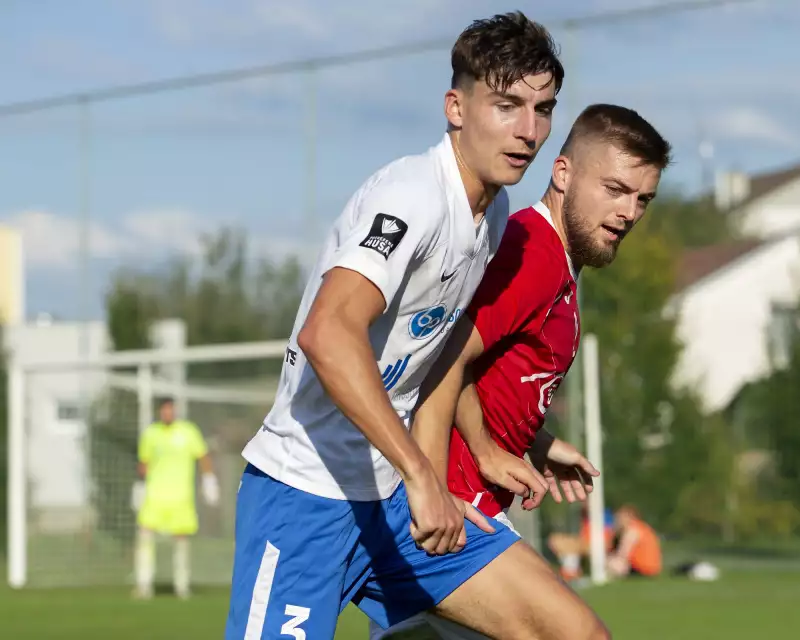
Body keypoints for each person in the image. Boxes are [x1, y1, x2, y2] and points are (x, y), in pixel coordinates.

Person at [224, 12, 580, 640]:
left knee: (569, 631)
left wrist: (496, 447)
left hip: (392, 504)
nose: (529, 131)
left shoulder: (491, 213)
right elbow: (328, 333)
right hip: (307, 495)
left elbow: (438, 354)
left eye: (542, 109)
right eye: (506, 105)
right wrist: (422, 473)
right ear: (456, 107)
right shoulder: (412, 194)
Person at [373, 104, 671, 639]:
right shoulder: (530, 252)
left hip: (465, 511)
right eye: (615, 189)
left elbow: (480, 377)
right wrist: (444, 482)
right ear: (563, 173)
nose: (629, 212)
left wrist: (535, 443)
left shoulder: (556, 267)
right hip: (455, 514)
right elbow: (443, 357)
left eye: (642, 199)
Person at [132, 397, 219, 600]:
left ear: (175, 411)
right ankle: (143, 584)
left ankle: (182, 585)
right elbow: (144, 463)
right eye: (164, 410)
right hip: (155, 496)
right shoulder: (151, 434)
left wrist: (209, 481)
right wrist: (139, 485)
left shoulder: (188, 431)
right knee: (145, 537)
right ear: (159, 412)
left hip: (181, 497)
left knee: (181, 541)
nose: (167, 413)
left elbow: (203, 456)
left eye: (170, 409)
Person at [606, 505, 662, 578]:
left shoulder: (632, 531)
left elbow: (622, 555)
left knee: (608, 561)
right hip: (652, 569)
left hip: (641, 568)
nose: (617, 521)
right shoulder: (641, 527)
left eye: (619, 518)